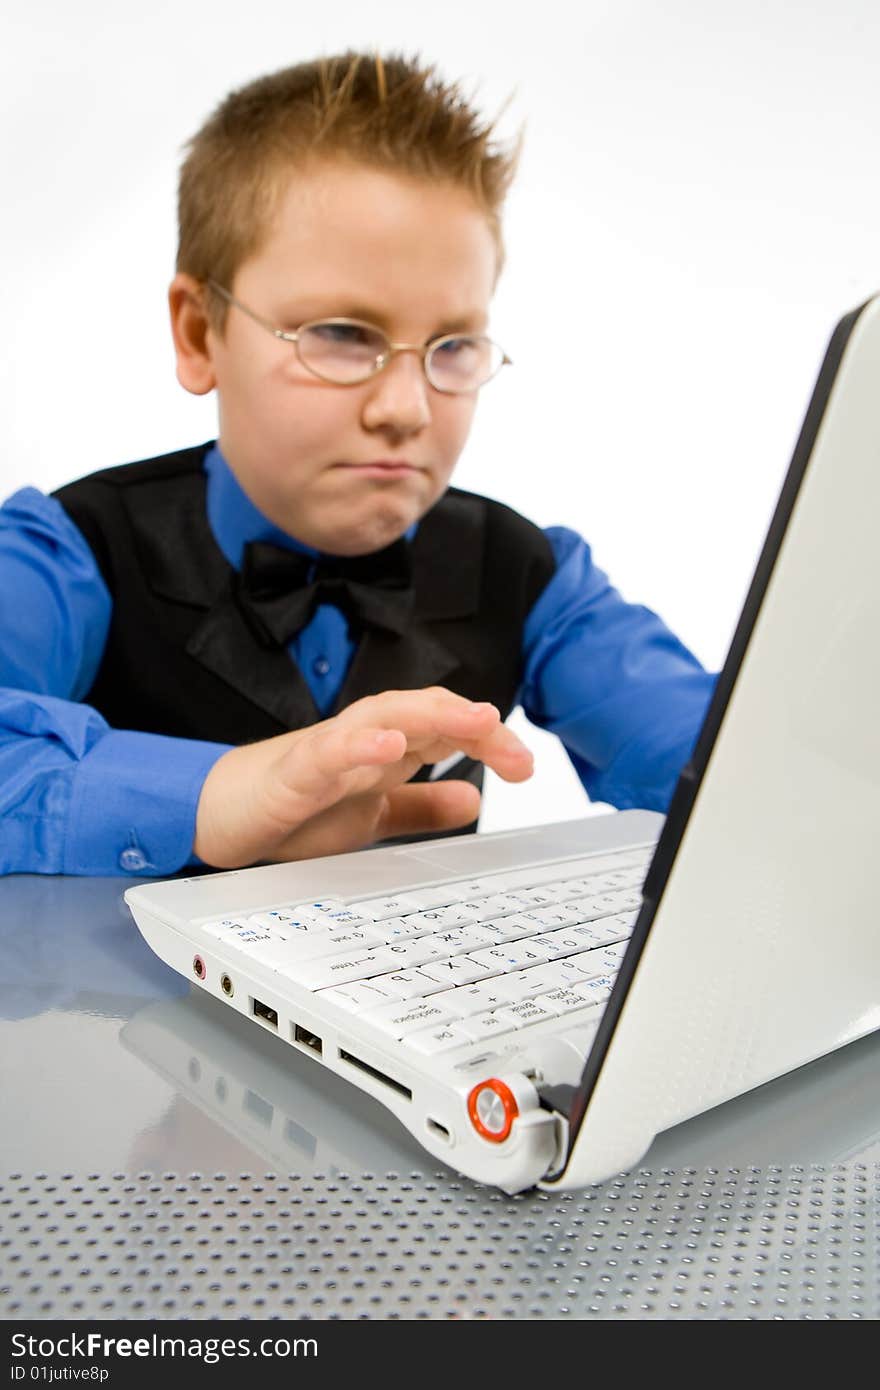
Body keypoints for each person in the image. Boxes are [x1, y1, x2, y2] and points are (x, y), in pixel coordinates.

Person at [0, 51, 717, 879]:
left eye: (453, 346)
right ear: (200, 333)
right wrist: (210, 797)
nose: (406, 407)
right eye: (342, 334)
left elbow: (733, 766)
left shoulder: (531, 574)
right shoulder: (68, 549)